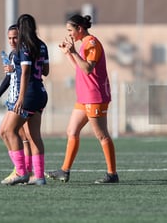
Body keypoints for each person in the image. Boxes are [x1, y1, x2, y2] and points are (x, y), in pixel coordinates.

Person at [48, 14, 119, 184]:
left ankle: (112, 174)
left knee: (102, 136)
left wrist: (73, 52)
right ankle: (64, 171)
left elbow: (87, 68)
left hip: (95, 97)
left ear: (80, 28)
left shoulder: (92, 43)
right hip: (84, 97)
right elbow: (80, 69)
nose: (69, 34)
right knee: (72, 131)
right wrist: (68, 54)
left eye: (70, 30)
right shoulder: (83, 45)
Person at [0, 14, 49, 185]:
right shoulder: (41, 45)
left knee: (8, 131)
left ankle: (21, 172)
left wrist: (21, 98)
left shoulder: (23, 46)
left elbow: (26, 72)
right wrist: (16, 68)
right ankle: (40, 177)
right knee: (34, 136)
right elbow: (46, 71)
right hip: (41, 93)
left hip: (27, 95)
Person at [0, 24, 34, 183]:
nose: (12, 40)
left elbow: (26, 73)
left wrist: (13, 69)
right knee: (13, 133)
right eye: (10, 38)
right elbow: (9, 78)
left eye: (15, 37)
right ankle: (22, 170)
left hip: (24, 98)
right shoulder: (13, 54)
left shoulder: (24, 51)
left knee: (13, 132)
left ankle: (22, 172)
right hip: (14, 100)